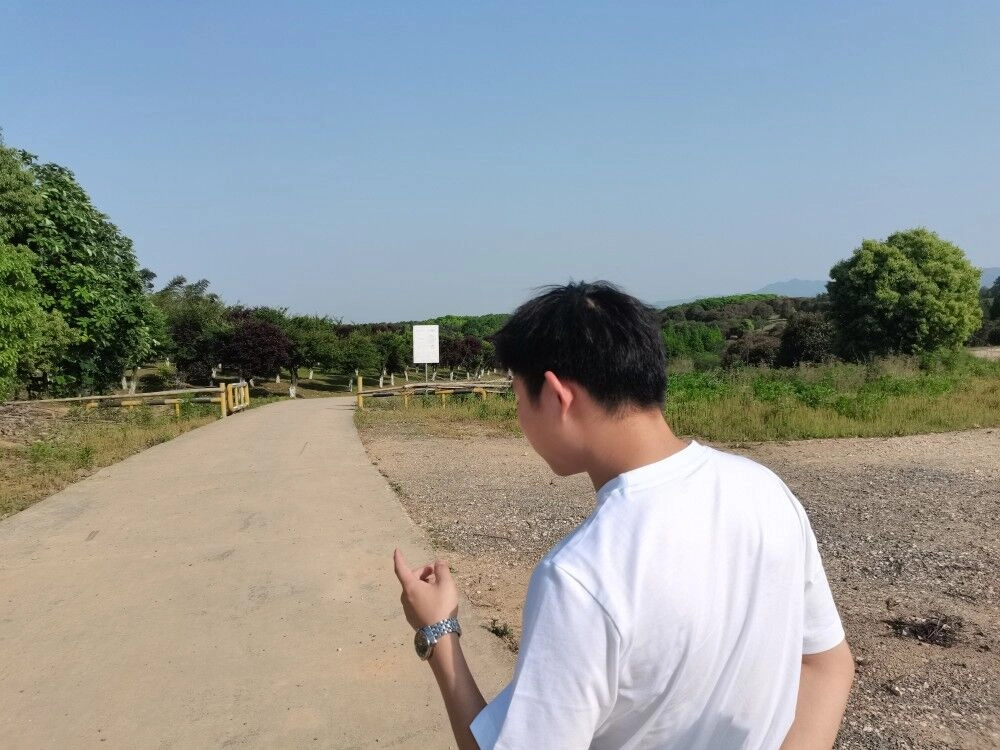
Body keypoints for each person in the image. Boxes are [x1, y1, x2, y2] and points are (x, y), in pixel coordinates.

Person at [392, 281, 854, 749]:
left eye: (517, 396)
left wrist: (439, 631)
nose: (518, 416)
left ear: (555, 395)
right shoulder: (765, 489)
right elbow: (827, 665)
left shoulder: (580, 575)